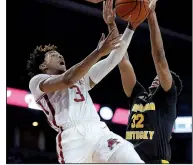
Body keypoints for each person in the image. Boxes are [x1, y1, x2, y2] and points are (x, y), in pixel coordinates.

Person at [27, 16, 144, 162]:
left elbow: (114, 58)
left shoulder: (81, 78)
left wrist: (131, 27)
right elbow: (67, 80)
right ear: (43, 66)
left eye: (59, 54)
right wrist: (99, 52)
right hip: (72, 138)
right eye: (53, 55)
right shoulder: (37, 81)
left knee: (129, 155)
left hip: (99, 131)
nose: (60, 55)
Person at [116, 1, 182, 164]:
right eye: (156, 76)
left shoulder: (167, 99)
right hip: (129, 160)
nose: (156, 78)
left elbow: (159, 59)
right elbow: (123, 61)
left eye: (161, 77)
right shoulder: (138, 95)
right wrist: (111, 24)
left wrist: (151, 16)